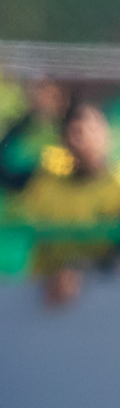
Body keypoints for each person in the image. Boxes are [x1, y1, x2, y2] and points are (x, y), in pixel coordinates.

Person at [17, 97, 120, 308]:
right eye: (72, 132)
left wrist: (79, 270)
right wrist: (31, 115)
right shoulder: (45, 181)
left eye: (86, 130)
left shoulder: (116, 188)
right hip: (42, 298)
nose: (78, 140)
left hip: (104, 299)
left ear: (105, 134)